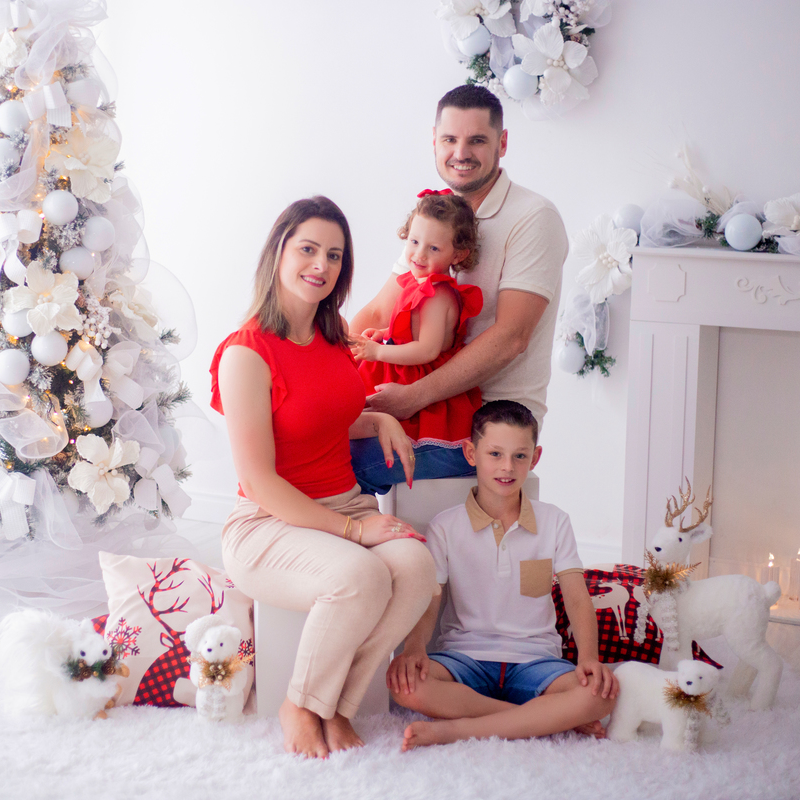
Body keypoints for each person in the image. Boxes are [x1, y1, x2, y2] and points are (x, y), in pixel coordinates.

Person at [210, 196, 439, 759]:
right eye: (308, 249)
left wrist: (378, 417)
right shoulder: (245, 354)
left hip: (347, 504)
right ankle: (300, 703)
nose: (322, 264)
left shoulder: (334, 335)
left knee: (415, 569)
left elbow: (320, 414)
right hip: (269, 522)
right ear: (279, 253)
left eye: (334, 255)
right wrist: (354, 532)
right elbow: (260, 480)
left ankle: (334, 705)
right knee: (361, 576)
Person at [350, 84, 568, 496]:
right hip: (419, 400)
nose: (461, 153)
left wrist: (410, 398)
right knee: (306, 436)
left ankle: (361, 550)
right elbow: (380, 311)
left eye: (477, 140)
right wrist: (320, 362)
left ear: (502, 144)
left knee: (347, 462)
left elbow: (510, 338)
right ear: (434, 142)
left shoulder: (533, 217)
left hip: (488, 416)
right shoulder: (436, 217)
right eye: (450, 139)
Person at [387, 400, 617, 750]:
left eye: (519, 456)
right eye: (495, 454)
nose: (507, 467)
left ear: (535, 458)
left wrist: (588, 659)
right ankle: (535, 717)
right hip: (464, 659)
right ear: (471, 452)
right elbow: (431, 597)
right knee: (404, 683)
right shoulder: (445, 526)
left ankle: (458, 730)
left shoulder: (555, 521)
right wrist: (415, 648)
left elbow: (575, 595)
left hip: (536, 661)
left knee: (600, 696)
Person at [350, 190, 483, 446]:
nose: (419, 254)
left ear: (458, 255)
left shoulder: (437, 295)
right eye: (413, 242)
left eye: (433, 248)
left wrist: (378, 352)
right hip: (402, 366)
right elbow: (411, 327)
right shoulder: (417, 282)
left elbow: (427, 349)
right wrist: (385, 332)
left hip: (417, 379)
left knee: (371, 438)